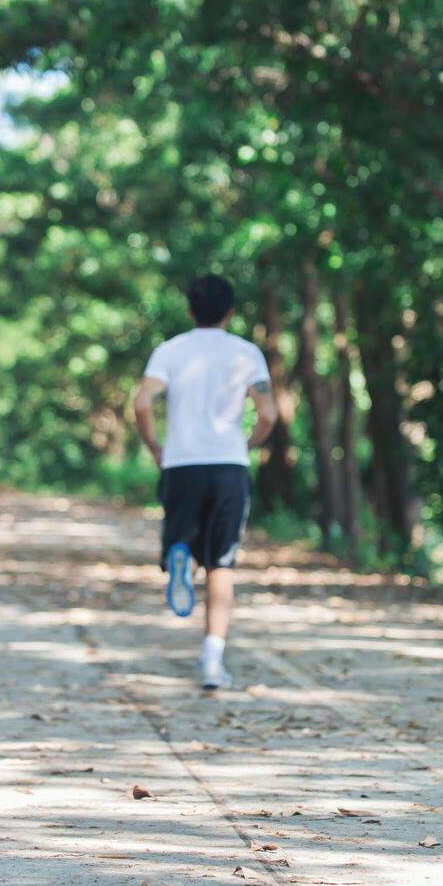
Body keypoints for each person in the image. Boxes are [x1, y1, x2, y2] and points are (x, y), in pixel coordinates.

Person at [133, 274, 278, 690]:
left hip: (181, 462)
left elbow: (142, 403)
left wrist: (155, 447)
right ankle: (212, 661)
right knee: (224, 563)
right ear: (230, 311)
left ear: (190, 310)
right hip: (228, 462)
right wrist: (247, 444)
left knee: (187, 540)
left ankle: (182, 557)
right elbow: (267, 414)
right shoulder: (247, 353)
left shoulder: (170, 351)